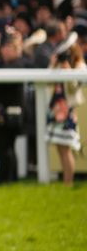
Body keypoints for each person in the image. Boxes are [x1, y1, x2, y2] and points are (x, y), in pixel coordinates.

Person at [0, 27, 31, 184]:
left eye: (10, 47)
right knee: (3, 148)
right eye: (4, 47)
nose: (5, 50)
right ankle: (7, 178)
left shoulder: (19, 64)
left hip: (9, 113)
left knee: (6, 147)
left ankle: (6, 179)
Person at [45, 32, 84, 187]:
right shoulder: (59, 65)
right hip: (56, 110)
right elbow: (48, 81)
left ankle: (68, 182)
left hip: (67, 111)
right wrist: (53, 65)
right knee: (60, 148)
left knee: (66, 148)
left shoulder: (80, 66)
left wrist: (69, 73)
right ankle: (67, 182)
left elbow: (74, 88)